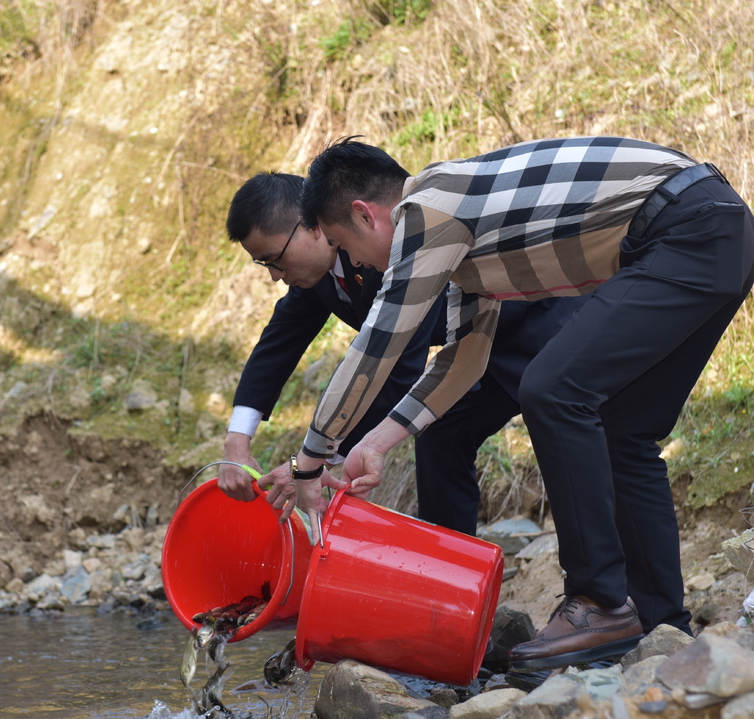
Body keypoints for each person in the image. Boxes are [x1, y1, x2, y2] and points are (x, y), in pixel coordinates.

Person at [273, 135, 754, 673]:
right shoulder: (458, 230)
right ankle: (662, 625)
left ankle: (597, 601)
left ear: (366, 216)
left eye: (343, 245)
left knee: (552, 389)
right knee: (623, 430)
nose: (356, 263)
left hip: (686, 230)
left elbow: (377, 346)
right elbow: (464, 361)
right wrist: (378, 441)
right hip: (716, 232)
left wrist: (309, 461)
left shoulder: (426, 214)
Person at [222, 171, 587, 537]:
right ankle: (449, 576)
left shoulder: (382, 252)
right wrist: (237, 442)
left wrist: (314, 461)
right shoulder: (316, 274)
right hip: (473, 347)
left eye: (274, 260)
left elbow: (396, 369)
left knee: (574, 434)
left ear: (312, 227)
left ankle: (606, 585)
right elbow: (278, 343)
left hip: (535, 319)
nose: (274, 276)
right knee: (441, 436)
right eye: (265, 265)